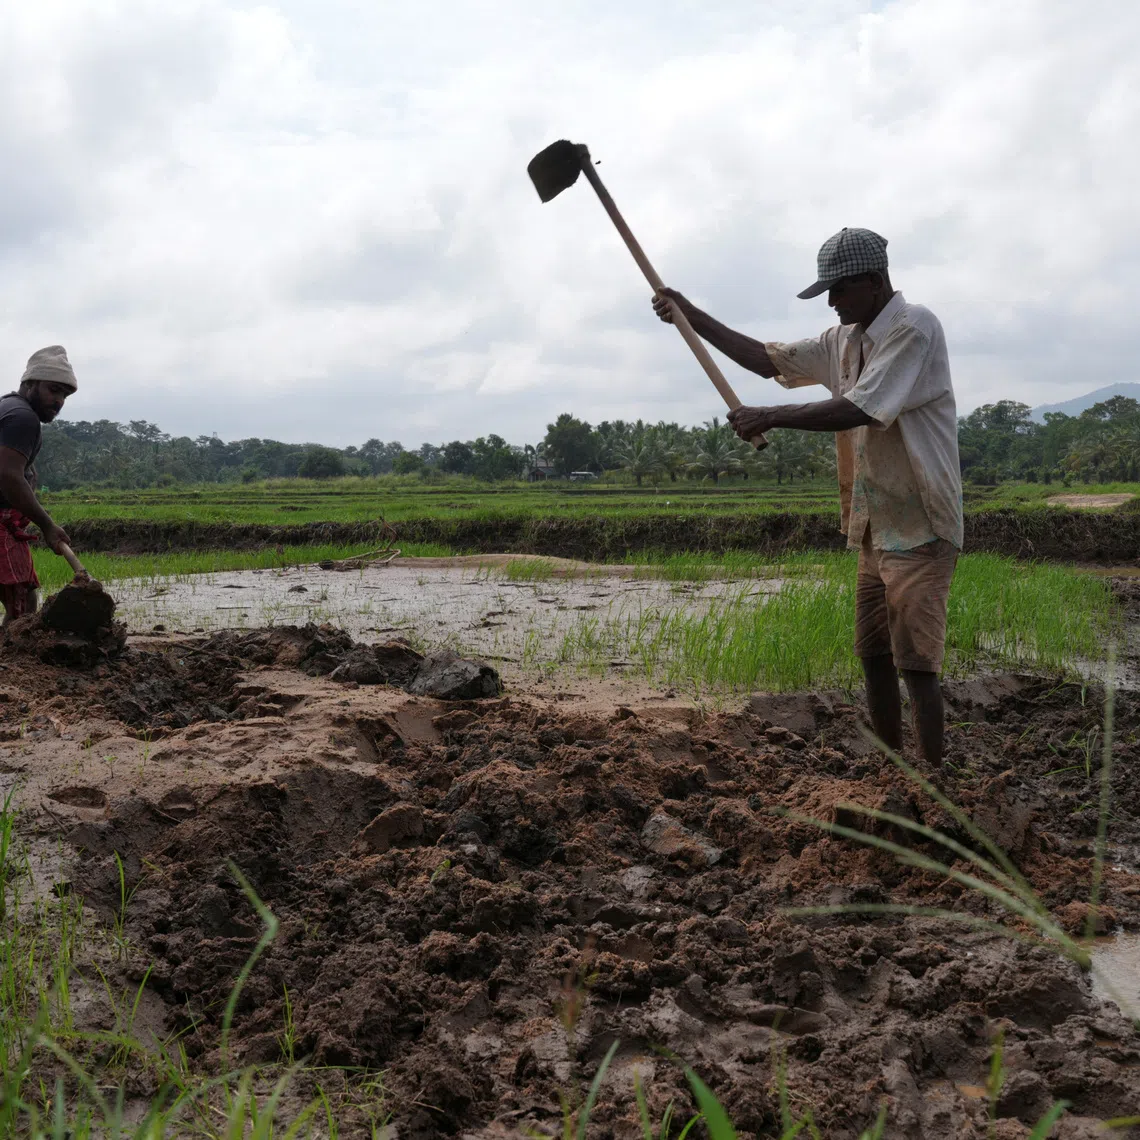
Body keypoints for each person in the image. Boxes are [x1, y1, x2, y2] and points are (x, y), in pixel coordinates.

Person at [653, 228, 962, 767]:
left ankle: (935, 786)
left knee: (917, 663)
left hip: (922, 526)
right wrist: (689, 314)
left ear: (874, 281)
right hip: (875, 525)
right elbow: (766, 359)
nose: (832, 301)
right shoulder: (842, 340)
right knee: (873, 654)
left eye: (839, 289)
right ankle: (891, 769)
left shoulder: (914, 330)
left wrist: (770, 415)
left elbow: (861, 408)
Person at [0, 347, 77, 626]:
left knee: (22, 598)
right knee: (22, 606)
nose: (58, 401)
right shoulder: (23, 417)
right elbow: (8, 475)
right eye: (53, 390)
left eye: (64, 396)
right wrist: (47, 525)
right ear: (30, 384)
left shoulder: (7, 406)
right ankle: (13, 668)